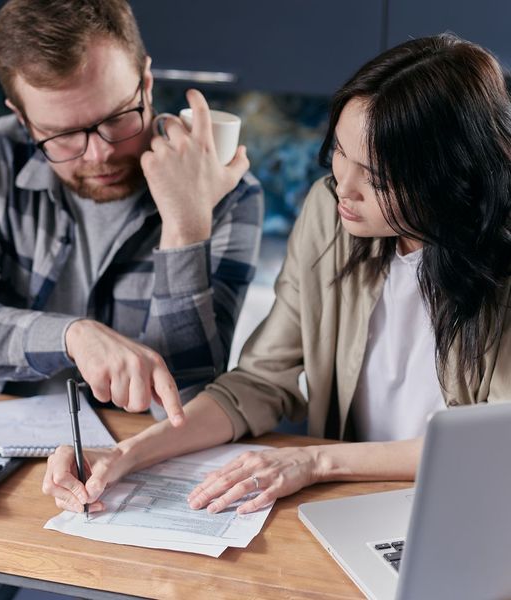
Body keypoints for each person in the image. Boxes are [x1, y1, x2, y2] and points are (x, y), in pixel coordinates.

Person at [42, 33, 511, 518]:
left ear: (451, 177)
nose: (343, 187)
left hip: (466, 509)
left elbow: (495, 443)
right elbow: (261, 382)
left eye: (377, 177)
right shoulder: (328, 216)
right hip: (348, 504)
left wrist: (314, 461)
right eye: (341, 153)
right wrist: (126, 455)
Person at [0, 0, 263, 424]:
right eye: (61, 135)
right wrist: (72, 336)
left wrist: (185, 228)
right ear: (23, 121)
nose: (101, 154)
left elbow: (190, 401)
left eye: (117, 118)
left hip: (137, 452)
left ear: (147, 83)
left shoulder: (227, 191)